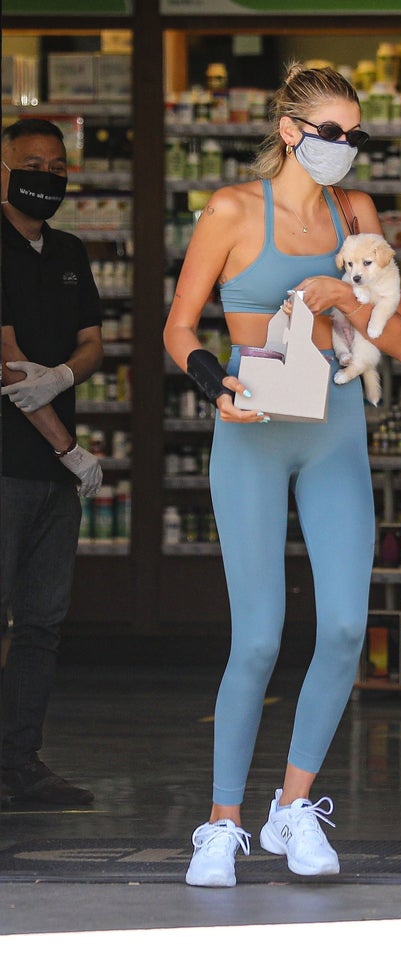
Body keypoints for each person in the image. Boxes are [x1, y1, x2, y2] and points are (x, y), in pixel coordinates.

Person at [163, 62, 401, 887]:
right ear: (290, 132)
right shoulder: (235, 210)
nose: (345, 147)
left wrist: (342, 304)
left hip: (334, 430)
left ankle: (293, 806)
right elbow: (177, 327)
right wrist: (214, 385)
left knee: (345, 626)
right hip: (252, 428)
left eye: (355, 135)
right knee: (261, 635)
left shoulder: (358, 215)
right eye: (332, 132)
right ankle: (222, 821)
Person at [1, 118, 103, 806]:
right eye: (33, 162)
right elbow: (8, 363)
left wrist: (63, 376)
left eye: (59, 165)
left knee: (42, 623)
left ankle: (20, 762)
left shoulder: (69, 250)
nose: (48, 175)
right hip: (9, 466)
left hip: (52, 480)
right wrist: (69, 449)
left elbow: (94, 340)